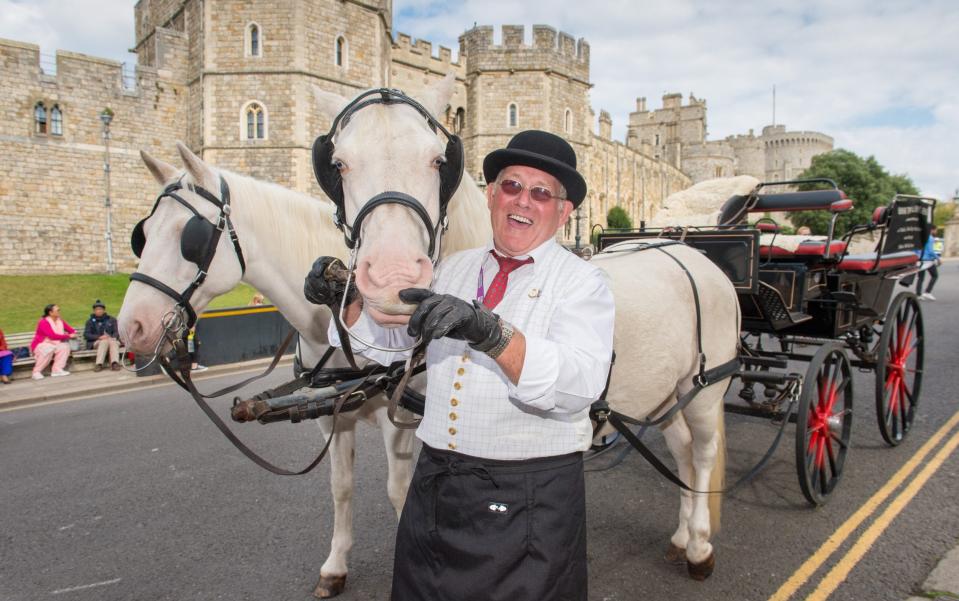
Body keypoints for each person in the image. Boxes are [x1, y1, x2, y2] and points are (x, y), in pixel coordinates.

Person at [305, 130, 614, 600]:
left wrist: (491, 334)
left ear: (563, 211)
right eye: (510, 186)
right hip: (436, 487)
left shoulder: (583, 283)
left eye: (541, 193)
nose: (522, 201)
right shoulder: (452, 269)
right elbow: (392, 346)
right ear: (491, 196)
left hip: (530, 498)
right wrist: (344, 304)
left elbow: (578, 385)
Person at [30, 304, 77, 379]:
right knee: (48, 348)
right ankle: (36, 372)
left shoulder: (60, 320)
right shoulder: (43, 322)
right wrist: (68, 336)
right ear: (50, 312)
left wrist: (73, 333)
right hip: (41, 344)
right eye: (57, 310)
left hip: (55, 343)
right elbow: (52, 336)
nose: (59, 311)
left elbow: (71, 330)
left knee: (64, 346)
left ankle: (57, 370)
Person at [83, 299, 122, 372]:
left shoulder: (112, 319)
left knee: (112, 342)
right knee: (104, 342)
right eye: (97, 309)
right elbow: (86, 334)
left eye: (100, 309)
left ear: (104, 310)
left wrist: (112, 337)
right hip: (97, 342)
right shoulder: (90, 321)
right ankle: (99, 364)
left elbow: (116, 332)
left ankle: (115, 363)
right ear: (94, 311)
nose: (99, 311)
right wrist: (99, 337)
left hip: (112, 341)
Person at [916, 225, 941, 301]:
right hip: (928, 261)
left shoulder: (921, 237)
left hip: (920, 260)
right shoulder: (930, 238)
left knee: (920, 278)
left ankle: (918, 294)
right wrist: (938, 258)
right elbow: (930, 251)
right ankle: (927, 292)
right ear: (932, 230)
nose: (936, 232)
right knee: (935, 276)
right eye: (936, 230)